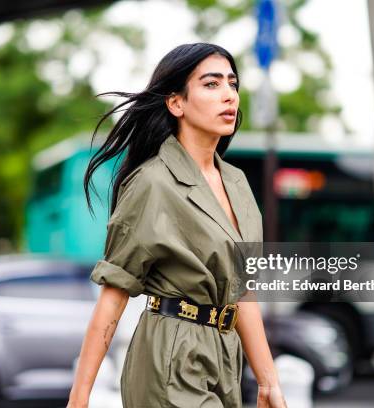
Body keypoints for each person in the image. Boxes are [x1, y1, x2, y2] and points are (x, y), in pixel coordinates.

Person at [67, 43, 288, 408]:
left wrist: (268, 382)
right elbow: (114, 293)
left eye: (232, 83)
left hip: (224, 353)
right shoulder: (152, 182)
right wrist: (80, 396)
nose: (229, 96)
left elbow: (243, 291)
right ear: (176, 103)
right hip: (170, 354)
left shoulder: (237, 183)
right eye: (211, 84)